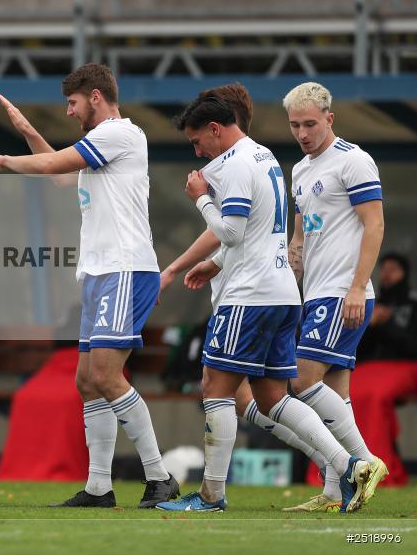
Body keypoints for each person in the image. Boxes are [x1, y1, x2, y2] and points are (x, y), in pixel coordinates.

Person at [0, 63, 179, 509]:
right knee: (86, 380)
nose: (69, 111)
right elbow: (62, 173)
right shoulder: (99, 145)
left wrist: (3, 160)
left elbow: (55, 162)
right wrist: (27, 130)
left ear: (96, 98)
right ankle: (99, 488)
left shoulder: (121, 134)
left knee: (105, 374)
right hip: (100, 272)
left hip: (125, 269)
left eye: (73, 102)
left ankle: (160, 477)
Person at [154, 94, 373, 513]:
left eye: (199, 141)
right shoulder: (264, 156)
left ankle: (210, 495)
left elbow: (232, 231)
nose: (198, 151)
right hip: (282, 293)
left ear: (216, 129)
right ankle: (349, 466)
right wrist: (214, 264)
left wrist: (200, 197)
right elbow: (259, 233)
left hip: (249, 297)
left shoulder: (232, 164)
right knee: (273, 396)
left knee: (215, 388)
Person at [282, 82, 388, 510]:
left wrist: (358, 286)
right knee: (334, 395)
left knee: (300, 379)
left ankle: (362, 462)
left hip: (345, 293)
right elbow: (301, 234)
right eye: (295, 125)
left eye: (310, 124)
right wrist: (292, 263)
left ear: (330, 118)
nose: (303, 133)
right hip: (316, 294)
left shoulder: (354, 160)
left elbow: (375, 225)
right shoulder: (300, 170)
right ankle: (332, 491)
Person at [351, 253, 417, 486]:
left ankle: (378, 466)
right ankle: (346, 469)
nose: (387, 274)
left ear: (404, 273)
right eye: (385, 269)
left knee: (375, 395)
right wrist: (371, 325)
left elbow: (411, 347)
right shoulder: (371, 302)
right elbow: (359, 350)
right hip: (370, 369)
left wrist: (387, 325)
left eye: (394, 269)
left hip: (406, 366)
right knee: (346, 394)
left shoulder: (412, 303)